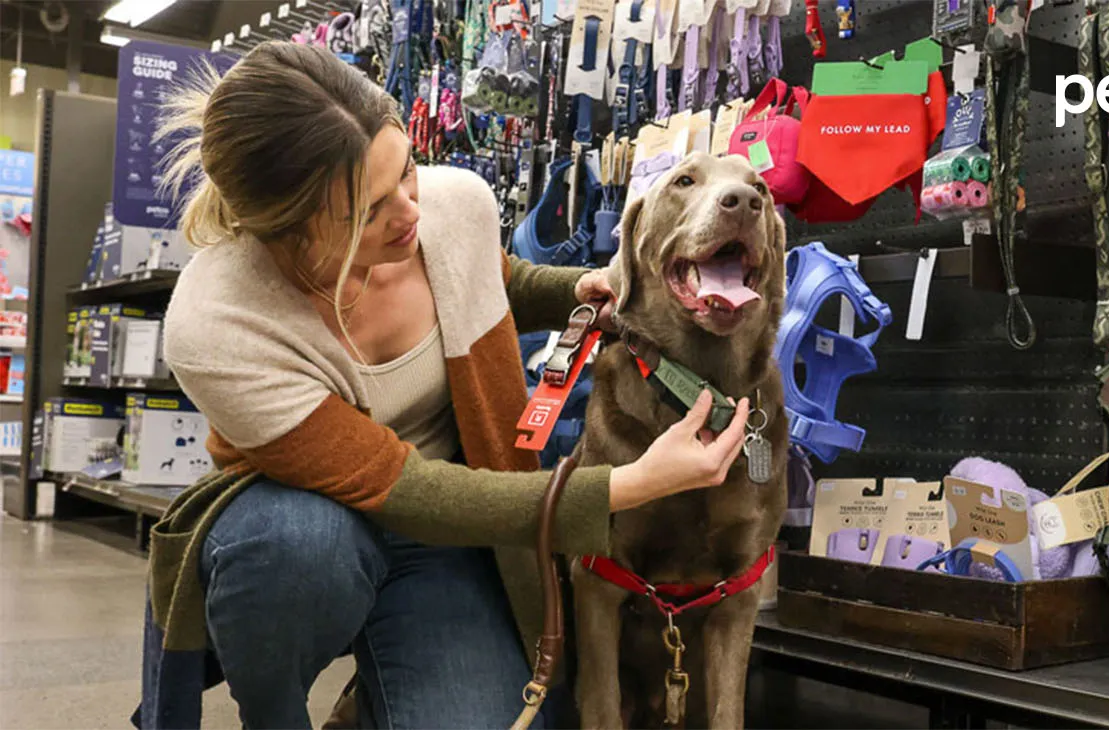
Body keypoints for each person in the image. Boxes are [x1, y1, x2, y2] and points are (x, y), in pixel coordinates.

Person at [135, 41, 751, 730]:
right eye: (368, 211)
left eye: (406, 174)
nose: (410, 214)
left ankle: (384, 688)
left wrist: (572, 289)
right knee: (294, 552)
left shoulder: (452, 204)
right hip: (306, 522)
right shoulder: (219, 323)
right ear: (285, 227)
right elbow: (407, 491)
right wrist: (630, 485)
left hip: (454, 527)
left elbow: (492, 278)